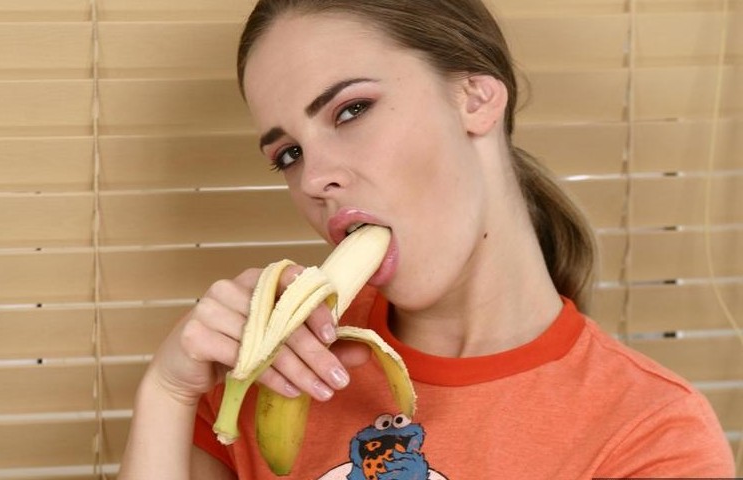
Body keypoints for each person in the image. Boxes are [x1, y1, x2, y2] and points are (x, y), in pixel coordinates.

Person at [118, 0, 736, 478]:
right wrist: (167, 392)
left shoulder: (651, 434)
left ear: (475, 98)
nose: (313, 178)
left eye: (351, 110)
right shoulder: (268, 374)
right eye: (288, 154)